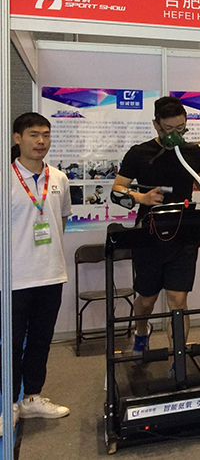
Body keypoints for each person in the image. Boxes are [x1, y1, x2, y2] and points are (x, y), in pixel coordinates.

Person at [112, 97, 200, 353]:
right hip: (149, 234)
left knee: (178, 300)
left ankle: (177, 359)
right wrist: (142, 198)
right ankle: (141, 331)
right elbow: (117, 189)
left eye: (180, 128)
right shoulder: (139, 153)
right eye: (169, 129)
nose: (175, 134)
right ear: (156, 124)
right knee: (147, 299)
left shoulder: (192, 152)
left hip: (183, 232)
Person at [2, 113, 72, 436]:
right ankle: (8, 405)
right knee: (10, 344)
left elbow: (62, 220)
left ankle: (31, 397)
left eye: (45, 134)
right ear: (17, 138)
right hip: (14, 278)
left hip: (51, 274)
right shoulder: (4, 177)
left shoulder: (59, 178)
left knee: (41, 340)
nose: (41, 141)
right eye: (33, 135)